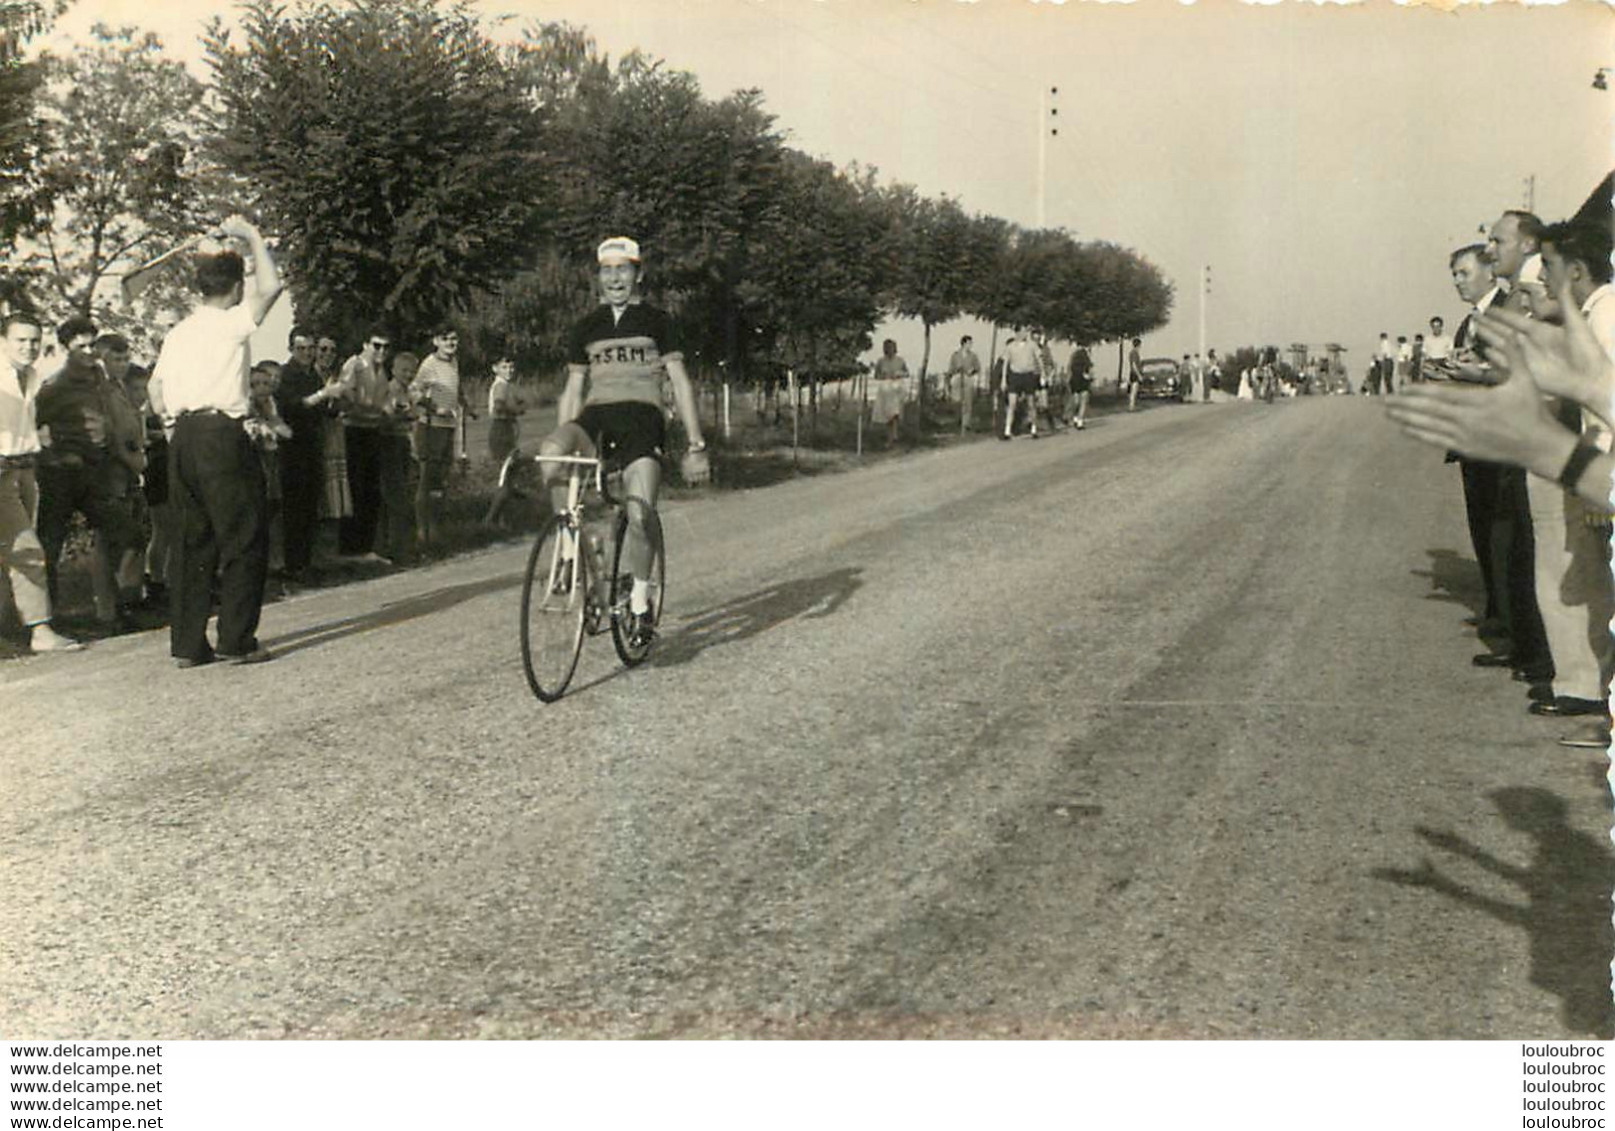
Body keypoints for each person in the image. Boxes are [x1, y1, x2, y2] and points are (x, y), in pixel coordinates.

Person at [535, 236, 709, 647]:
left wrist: (696, 444)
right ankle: (571, 544)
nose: (615, 278)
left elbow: (681, 385)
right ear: (599, 276)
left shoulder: (657, 321)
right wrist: (568, 434)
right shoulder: (587, 326)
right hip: (596, 417)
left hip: (643, 418)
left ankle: (639, 598)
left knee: (641, 513)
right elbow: (574, 389)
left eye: (623, 269)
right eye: (607, 270)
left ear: (638, 274)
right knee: (551, 453)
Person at [147, 215, 284, 667]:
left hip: (182, 437)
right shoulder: (230, 323)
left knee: (191, 543)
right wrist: (253, 237)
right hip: (220, 436)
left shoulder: (179, 331)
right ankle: (235, 641)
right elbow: (272, 287)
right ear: (235, 288)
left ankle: (188, 646)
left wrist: (174, 430)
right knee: (244, 535)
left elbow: (154, 391)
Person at [34, 314, 145, 629]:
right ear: (66, 348)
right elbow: (31, 424)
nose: (87, 351)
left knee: (129, 533)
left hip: (94, 474)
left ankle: (122, 609)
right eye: (79, 346)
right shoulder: (54, 386)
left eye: (90, 345)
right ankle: (47, 619)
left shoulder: (100, 378)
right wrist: (54, 453)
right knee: (50, 545)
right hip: (59, 474)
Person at [0, 311, 81, 652]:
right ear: (4, 341)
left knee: (16, 553)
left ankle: (13, 630)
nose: (29, 347)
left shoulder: (32, 376)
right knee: (26, 550)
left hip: (24, 469)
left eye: (34, 340)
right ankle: (40, 631)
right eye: (20, 340)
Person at [334, 328, 394, 561]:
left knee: (371, 490)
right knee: (355, 488)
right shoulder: (355, 365)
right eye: (377, 346)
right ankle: (349, 548)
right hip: (354, 431)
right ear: (365, 344)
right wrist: (371, 408)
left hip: (372, 430)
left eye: (386, 347)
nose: (381, 351)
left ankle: (365, 547)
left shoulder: (382, 371)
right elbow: (346, 397)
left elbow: (386, 402)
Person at [274, 329, 326, 582]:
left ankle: (306, 561)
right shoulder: (287, 375)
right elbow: (293, 406)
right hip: (292, 447)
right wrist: (321, 397)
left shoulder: (314, 375)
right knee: (295, 506)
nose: (306, 353)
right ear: (291, 349)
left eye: (310, 348)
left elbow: (322, 410)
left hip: (312, 444)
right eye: (301, 349)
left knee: (310, 504)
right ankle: (293, 564)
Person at [408, 324, 462, 553]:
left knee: (441, 480)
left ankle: (437, 533)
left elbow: (454, 390)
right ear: (436, 341)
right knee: (426, 479)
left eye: (454, 339)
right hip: (430, 428)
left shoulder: (453, 362)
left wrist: (463, 405)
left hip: (449, 426)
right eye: (445, 339)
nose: (451, 343)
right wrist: (433, 407)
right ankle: (422, 534)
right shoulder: (429, 364)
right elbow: (414, 391)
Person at [245, 361, 292, 574]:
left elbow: (286, 432)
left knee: (273, 513)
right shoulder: (245, 410)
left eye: (266, 383)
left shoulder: (272, 407)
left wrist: (271, 419)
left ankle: (274, 562)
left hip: (271, 464)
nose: (262, 388)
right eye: (256, 384)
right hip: (252, 465)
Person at [999, 327, 1041, 440]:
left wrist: (1043, 375)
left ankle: (1034, 428)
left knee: (1031, 403)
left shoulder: (1032, 345)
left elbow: (1039, 359)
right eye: (1023, 331)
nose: (1025, 334)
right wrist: (1004, 379)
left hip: (1028, 375)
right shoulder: (1010, 346)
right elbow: (1005, 363)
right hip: (1015, 375)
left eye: (1026, 332)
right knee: (1012, 403)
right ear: (1017, 333)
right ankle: (1007, 430)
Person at [486, 356, 526, 463]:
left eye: (511, 367)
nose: (509, 371)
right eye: (504, 367)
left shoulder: (507, 385)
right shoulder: (500, 385)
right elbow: (499, 406)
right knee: (505, 461)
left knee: (511, 459)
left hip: (507, 426)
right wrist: (516, 409)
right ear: (495, 369)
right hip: (501, 427)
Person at [870, 338, 908, 448]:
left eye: (891, 348)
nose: (889, 350)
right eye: (887, 348)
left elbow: (907, 373)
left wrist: (899, 374)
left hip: (897, 387)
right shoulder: (881, 361)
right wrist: (884, 376)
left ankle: (893, 435)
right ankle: (891, 436)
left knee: (895, 410)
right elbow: (876, 376)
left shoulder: (900, 360)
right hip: (886, 389)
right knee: (888, 413)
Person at [947, 334, 981, 431]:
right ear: (964, 343)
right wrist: (950, 376)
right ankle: (958, 419)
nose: (970, 345)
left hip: (968, 377)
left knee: (968, 400)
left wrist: (972, 371)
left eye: (971, 343)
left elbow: (978, 368)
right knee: (957, 400)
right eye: (969, 343)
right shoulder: (955, 355)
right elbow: (951, 368)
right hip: (957, 376)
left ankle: (966, 423)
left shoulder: (973, 356)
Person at [1067, 344, 1093, 429]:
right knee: (1083, 401)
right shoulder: (1085, 355)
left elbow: (1069, 369)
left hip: (1074, 380)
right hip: (1082, 380)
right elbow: (1089, 369)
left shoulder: (1073, 356)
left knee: (1077, 401)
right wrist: (1089, 376)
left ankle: (1075, 418)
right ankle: (1080, 420)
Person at [1125, 337, 1142, 412]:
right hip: (1134, 373)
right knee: (1134, 391)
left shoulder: (1131, 352)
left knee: (1133, 390)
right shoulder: (1134, 353)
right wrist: (1139, 375)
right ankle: (1131, 406)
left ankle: (1131, 405)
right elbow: (1134, 364)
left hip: (1132, 373)